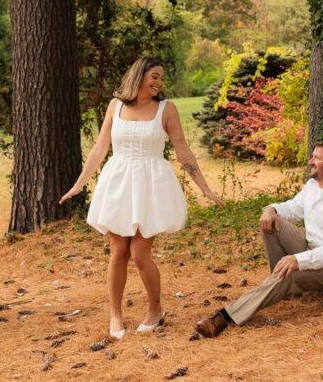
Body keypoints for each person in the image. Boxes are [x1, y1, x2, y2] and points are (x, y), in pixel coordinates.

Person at [60, 57, 222, 339]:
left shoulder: (166, 110)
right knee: (118, 252)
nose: (159, 82)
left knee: (139, 253)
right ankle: (115, 315)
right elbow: (100, 148)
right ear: (139, 75)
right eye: (154, 75)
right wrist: (79, 184)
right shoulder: (115, 106)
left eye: (161, 77)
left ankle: (155, 309)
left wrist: (205, 188)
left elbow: (182, 149)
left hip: (150, 185)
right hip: (119, 183)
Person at [194, 140, 323, 338]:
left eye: (317, 158)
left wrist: (299, 260)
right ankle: (280, 284)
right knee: (272, 223)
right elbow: (292, 209)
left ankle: (223, 317)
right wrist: (271, 209)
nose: (311, 161)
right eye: (312, 156)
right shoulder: (312, 186)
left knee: (288, 274)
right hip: (311, 248)